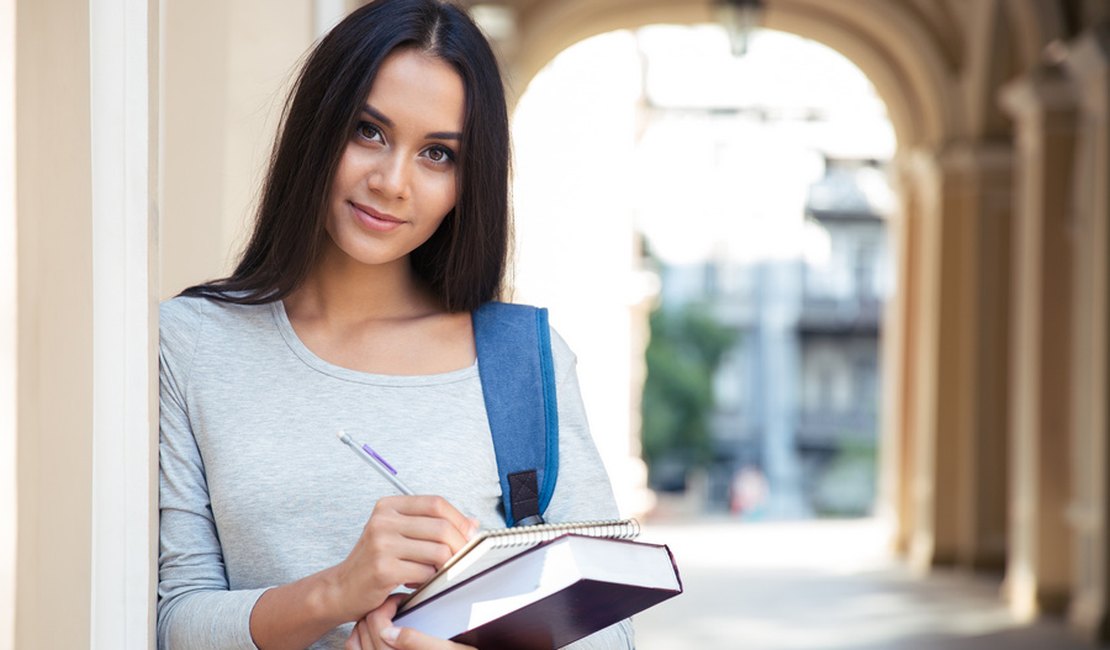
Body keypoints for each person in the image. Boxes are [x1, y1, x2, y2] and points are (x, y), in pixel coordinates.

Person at [156, 1, 634, 649]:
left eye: (437, 154)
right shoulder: (191, 342)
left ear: (470, 181)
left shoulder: (523, 359)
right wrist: (335, 592)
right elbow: (175, 622)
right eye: (368, 131)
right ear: (318, 126)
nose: (392, 182)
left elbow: (607, 631)